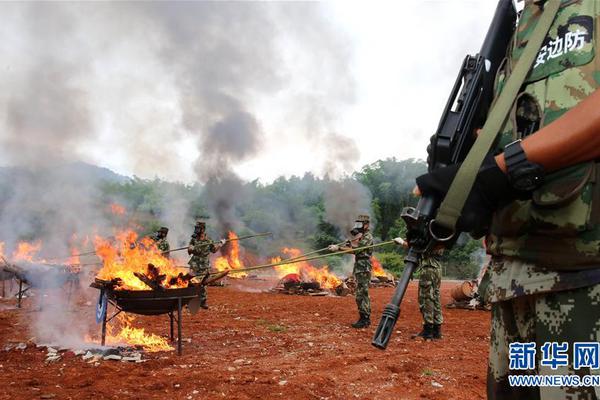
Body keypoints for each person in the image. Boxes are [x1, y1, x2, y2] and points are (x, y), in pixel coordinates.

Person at [416, 2, 600, 398]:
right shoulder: (524, 24)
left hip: (585, 281)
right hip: (514, 286)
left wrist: (497, 174)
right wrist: (462, 184)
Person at [329, 215, 373, 328]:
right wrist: (349, 245)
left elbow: (357, 251)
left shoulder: (367, 237)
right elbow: (356, 250)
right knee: (359, 293)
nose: (358, 226)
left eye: (360, 224)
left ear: (366, 225)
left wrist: (338, 249)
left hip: (364, 267)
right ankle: (364, 317)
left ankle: (365, 319)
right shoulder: (362, 236)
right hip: (360, 266)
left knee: (362, 293)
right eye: (357, 223)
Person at [188, 220, 225, 309]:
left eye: (198, 228)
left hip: (204, 265)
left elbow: (214, 250)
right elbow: (189, 251)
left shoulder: (208, 240)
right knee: (192, 283)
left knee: (202, 284)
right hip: (194, 264)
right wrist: (191, 248)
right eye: (196, 228)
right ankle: (190, 302)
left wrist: (221, 244)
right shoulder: (193, 239)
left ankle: (203, 302)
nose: (196, 230)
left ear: (203, 229)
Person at [413, 251, 443, 340]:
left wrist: (402, 243)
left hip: (429, 269)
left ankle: (428, 331)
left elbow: (421, 247)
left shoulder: (431, 237)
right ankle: (437, 330)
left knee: (426, 298)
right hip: (437, 267)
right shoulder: (442, 237)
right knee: (435, 297)